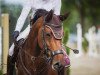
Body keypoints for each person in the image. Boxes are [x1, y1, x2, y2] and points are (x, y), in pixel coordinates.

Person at [7, 0, 62, 75]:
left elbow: (56, 18)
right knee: (11, 50)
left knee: (60, 52)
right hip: (32, 27)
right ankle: (9, 72)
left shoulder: (57, 1)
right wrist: (17, 30)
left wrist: (57, 33)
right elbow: (23, 16)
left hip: (49, 29)